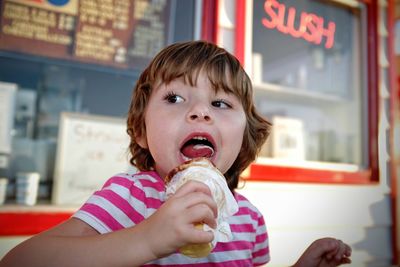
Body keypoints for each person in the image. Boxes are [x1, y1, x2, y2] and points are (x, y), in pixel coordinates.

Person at [0, 41, 351, 267]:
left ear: (245, 137)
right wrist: (147, 239)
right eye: (175, 99)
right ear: (141, 131)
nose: (201, 112)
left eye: (220, 103)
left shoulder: (249, 219)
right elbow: (21, 260)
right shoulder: (128, 198)